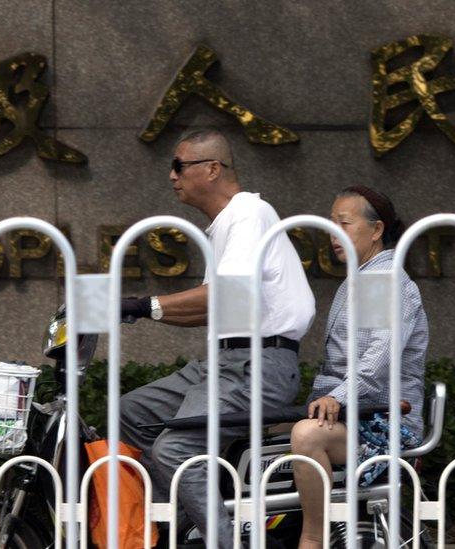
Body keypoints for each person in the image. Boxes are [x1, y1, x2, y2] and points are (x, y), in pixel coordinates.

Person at [118, 128, 315, 548]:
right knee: (131, 412)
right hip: (225, 365)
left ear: (211, 169)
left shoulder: (248, 214)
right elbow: (214, 308)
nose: (171, 176)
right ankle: (179, 522)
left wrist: (143, 305)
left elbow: (226, 295)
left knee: (173, 450)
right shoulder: (224, 226)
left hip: (256, 367)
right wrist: (140, 312)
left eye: (179, 165)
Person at [290, 186, 428, 549]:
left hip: (384, 423)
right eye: (331, 224)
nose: (335, 233)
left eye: (345, 223)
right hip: (361, 416)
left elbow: (379, 358)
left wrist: (337, 395)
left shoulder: (382, 279)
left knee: (307, 435)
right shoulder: (362, 278)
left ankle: (312, 537)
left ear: (377, 230)